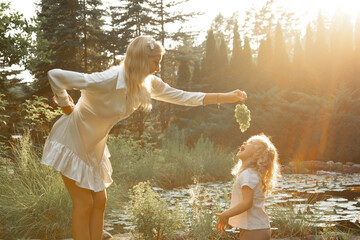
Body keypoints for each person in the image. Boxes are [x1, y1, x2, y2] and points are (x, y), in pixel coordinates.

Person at [41, 35, 247, 240]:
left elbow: (183, 97)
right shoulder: (107, 79)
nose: (158, 68)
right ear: (140, 59)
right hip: (72, 138)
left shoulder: (149, 84)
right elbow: (55, 75)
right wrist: (65, 105)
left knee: (100, 201)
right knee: (84, 203)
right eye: (155, 62)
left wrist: (226, 97)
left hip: (95, 145)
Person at [215, 134, 279, 240]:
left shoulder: (248, 175)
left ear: (257, 154)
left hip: (254, 230)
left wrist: (226, 214)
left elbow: (247, 203)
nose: (244, 143)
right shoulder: (250, 173)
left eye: (250, 143)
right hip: (255, 228)